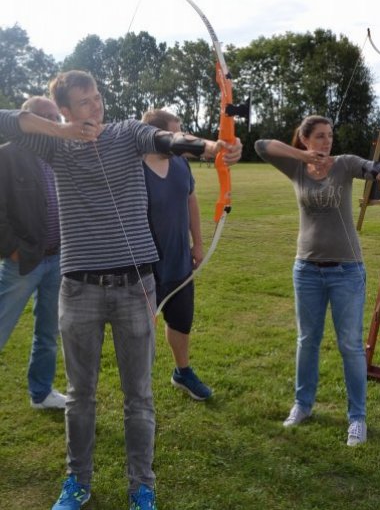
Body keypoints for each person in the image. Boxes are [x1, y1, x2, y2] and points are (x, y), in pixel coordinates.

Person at [0, 70, 242, 510]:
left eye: (97, 96)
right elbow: (5, 120)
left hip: (135, 286)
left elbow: (166, 140)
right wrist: (60, 131)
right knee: (80, 396)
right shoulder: (54, 146)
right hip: (79, 289)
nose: (96, 105)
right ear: (66, 110)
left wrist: (210, 148)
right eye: (85, 102)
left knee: (139, 396)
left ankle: (141, 486)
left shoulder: (127, 133)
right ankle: (77, 482)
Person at [255, 115, 380, 447]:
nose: (327, 141)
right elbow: (260, 146)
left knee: (351, 345)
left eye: (330, 135)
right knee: (307, 340)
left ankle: (357, 418)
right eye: (320, 136)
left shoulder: (344, 164)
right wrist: (302, 156)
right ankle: (302, 405)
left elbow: (377, 169)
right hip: (306, 270)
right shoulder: (296, 168)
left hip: (347, 270)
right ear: (305, 138)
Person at [0, 96, 66, 410]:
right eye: (45, 117)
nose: (53, 123)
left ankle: (41, 393)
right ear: (26, 121)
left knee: (48, 333)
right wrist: (12, 250)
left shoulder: (59, 156)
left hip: (57, 260)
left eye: (56, 118)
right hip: (23, 262)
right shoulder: (7, 156)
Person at [142, 109, 212, 401]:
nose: (181, 138)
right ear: (156, 136)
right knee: (140, 330)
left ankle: (182, 372)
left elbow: (190, 200)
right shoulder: (134, 167)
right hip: (144, 266)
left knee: (181, 321)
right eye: (175, 133)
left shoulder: (181, 162)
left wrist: (198, 244)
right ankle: (138, 384)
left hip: (180, 260)